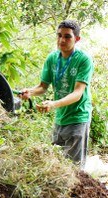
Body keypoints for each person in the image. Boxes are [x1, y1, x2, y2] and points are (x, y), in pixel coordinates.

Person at [19, 20, 93, 168]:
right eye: (59, 35)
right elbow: (43, 87)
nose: (62, 40)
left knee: (74, 168)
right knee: (56, 165)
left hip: (78, 117)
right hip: (60, 117)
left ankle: (75, 192)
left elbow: (78, 93)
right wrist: (30, 92)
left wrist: (53, 104)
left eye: (67, 36)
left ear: (77, 39)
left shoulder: (83, 60)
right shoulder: (52, 58)